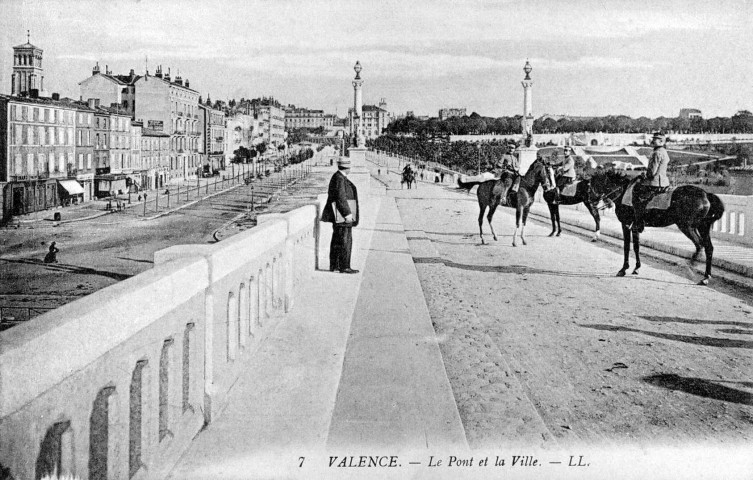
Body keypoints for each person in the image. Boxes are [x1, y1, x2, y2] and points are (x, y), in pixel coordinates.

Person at [321, 157, 360, 274]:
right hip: (342, 216)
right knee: (344, 241)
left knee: (338, 240)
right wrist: (347, 214)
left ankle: (335, 265)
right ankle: (344, 266)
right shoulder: (339, 178)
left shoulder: (339, 177)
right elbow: (340, 198)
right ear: (347, 167)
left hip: (339, 216)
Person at [632, 132, 670, 233]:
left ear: (661, 141)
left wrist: (644, 174)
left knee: (636, 192)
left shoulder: (656, 153)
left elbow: (652, 172)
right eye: (653, 139)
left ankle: (639, 223)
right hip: (664, 182)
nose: (652, 141)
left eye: (655, 139)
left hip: (654, 182)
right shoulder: (664, 151)